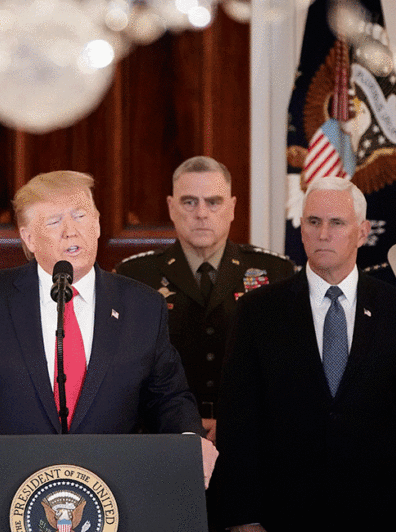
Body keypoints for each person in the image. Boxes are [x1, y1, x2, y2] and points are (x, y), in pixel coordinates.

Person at [0, 170, 217, 486]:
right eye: (54, 222)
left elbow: (169, 397)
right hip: (1, 485)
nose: (72, 231)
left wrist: (189, 439)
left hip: (110, 488)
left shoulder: (142, 306)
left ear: (97, 224)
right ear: (28, 238)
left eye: (81, 216)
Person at [210, 176, 396, 532]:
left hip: (379, 514)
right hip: (282, 514)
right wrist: (243, 516)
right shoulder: (258, 312)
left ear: (363, 232)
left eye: (337, 223)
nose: (323, 234)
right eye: (313, 222)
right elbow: (239, 422)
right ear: (301, 229)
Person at [115, 156, 293, 441]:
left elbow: (285, 368)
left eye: (213, 202)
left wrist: (235, 420)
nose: (201, 213)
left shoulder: (275, 271)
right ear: (171, 208)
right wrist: (182, 423)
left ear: (232, 208)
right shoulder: (136, 275)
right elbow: (128, 372)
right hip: (164, 436)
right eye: (189, 202)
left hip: (252, 435)